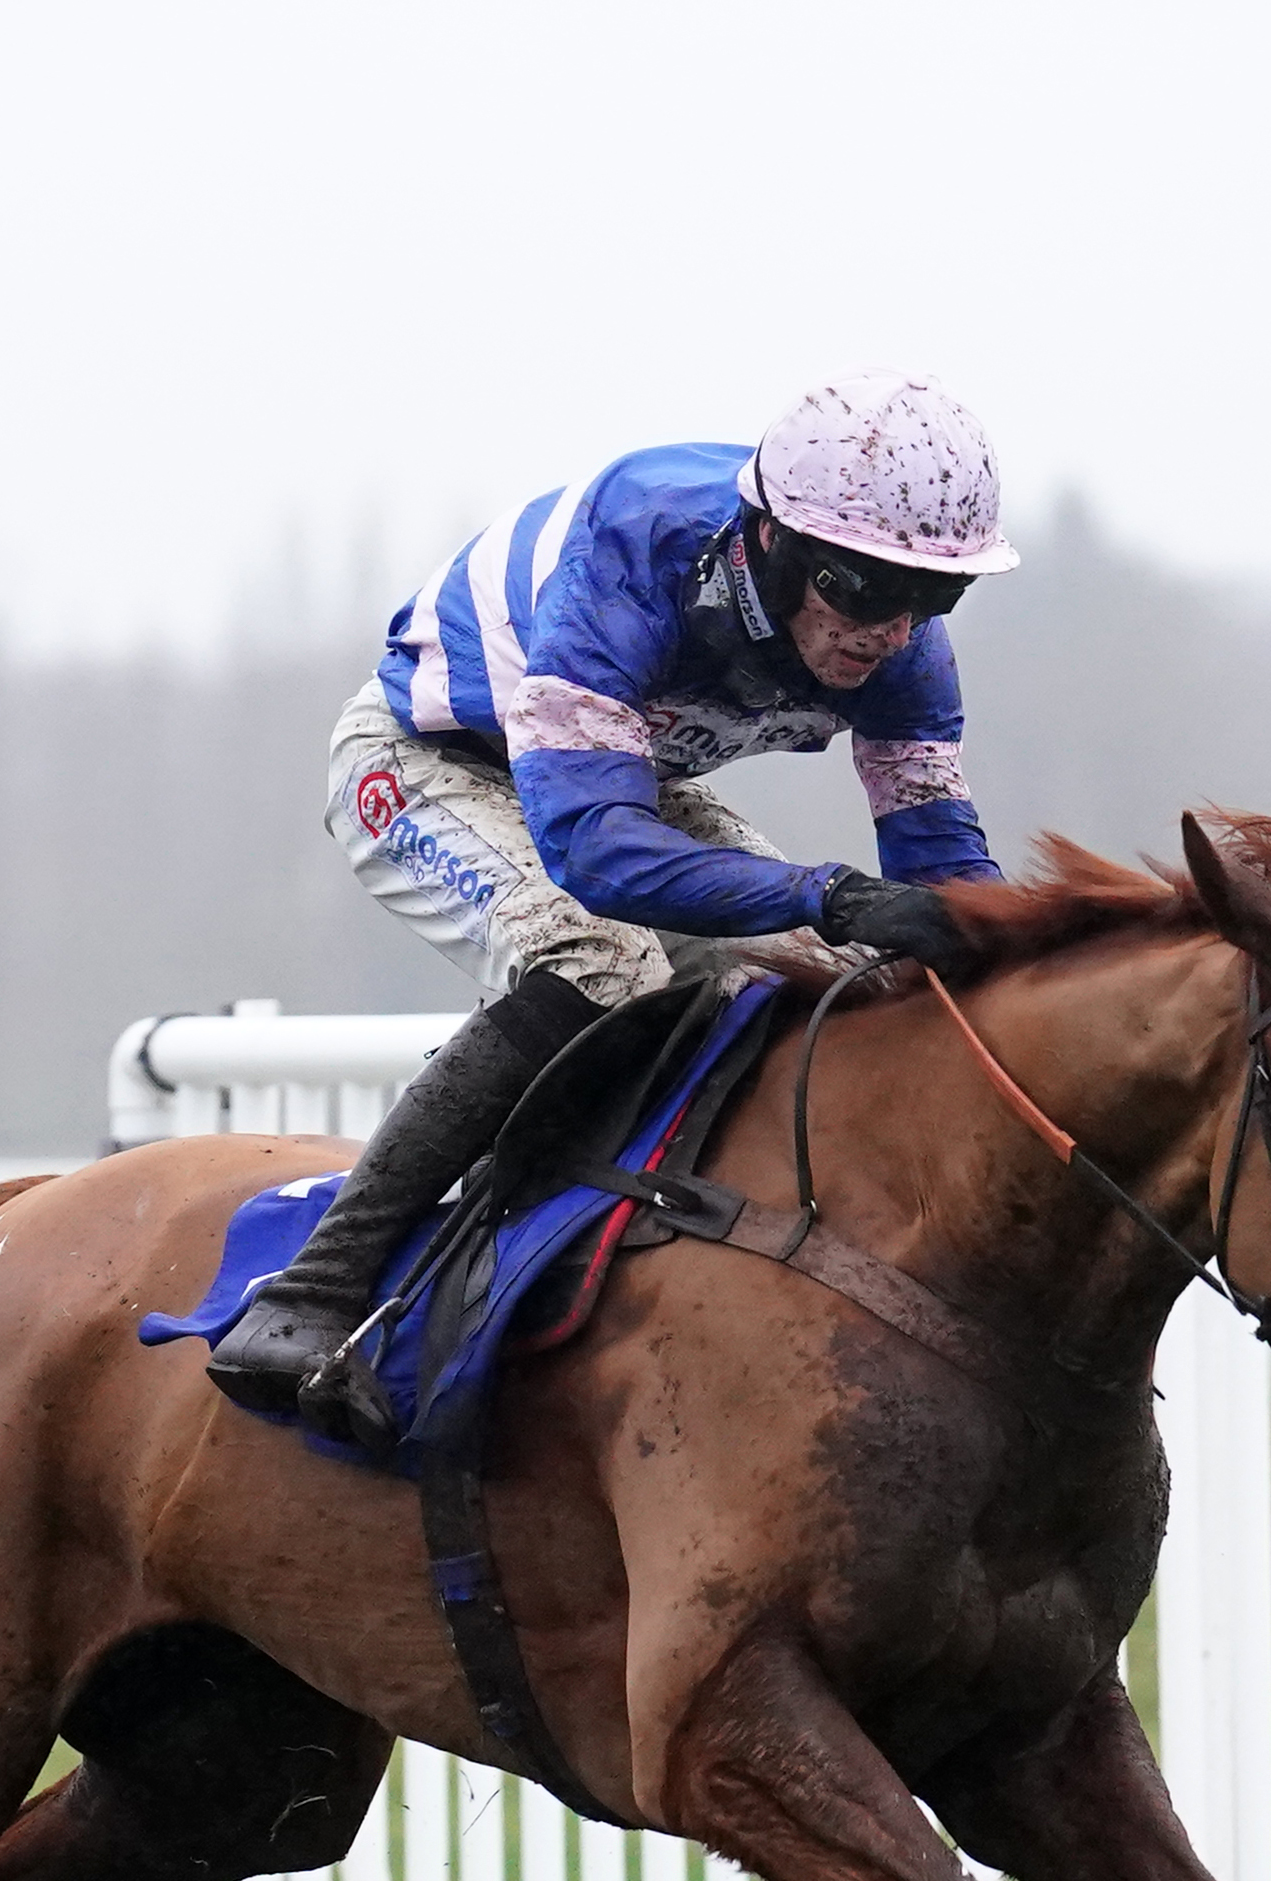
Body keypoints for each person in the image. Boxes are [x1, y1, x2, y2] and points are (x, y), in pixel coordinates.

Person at [203, 375, 1021, 1436]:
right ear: (768, 541)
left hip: (616, 773)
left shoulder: (902, 642)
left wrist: (1016, 958)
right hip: (429, 762)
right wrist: (826, 893)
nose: (889, 630)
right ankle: (313, 1294)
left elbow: (941, 867)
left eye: (933, 596)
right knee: (603, 959)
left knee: (821, 975)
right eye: (858, 587)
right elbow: (594, 853)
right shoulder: (639, 549)